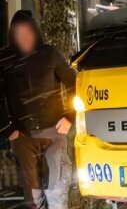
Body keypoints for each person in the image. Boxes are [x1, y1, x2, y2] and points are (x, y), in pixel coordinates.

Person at [0, 11, 76, 208]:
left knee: (56, 190)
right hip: (23, 137)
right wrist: (7, 129)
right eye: (19, 33)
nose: (24, 37)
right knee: (32, 196)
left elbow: (72, 82)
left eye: (28, 32)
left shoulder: (49, 53)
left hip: (54, 133)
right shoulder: (5, 59)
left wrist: (70, 116)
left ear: (35, 32)